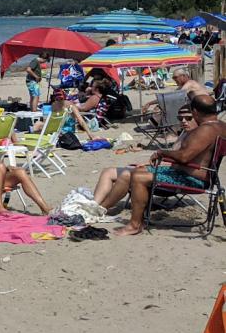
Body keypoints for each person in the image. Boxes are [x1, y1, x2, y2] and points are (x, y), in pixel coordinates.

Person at [115, 94, 226, 236]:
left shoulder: (205, 130)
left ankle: (135, 225)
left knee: (138, 176)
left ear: (195, 112)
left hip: (193, 179)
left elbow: (184, 157)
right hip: (203, 175)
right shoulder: (221, 127)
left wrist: (162, 152)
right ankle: (139, 220)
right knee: (140, 170)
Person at [95, 105, 196, 210]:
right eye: (180, 118)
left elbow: (182, 162)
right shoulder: (185, 132)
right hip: (163, 169)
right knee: (107, 171)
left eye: (188, 118)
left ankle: (100, 209)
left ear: (197, 117)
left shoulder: (196, 137)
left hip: (171, 176)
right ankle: (94, 205)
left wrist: (155, 163)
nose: (184, 121)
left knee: (124, 174)